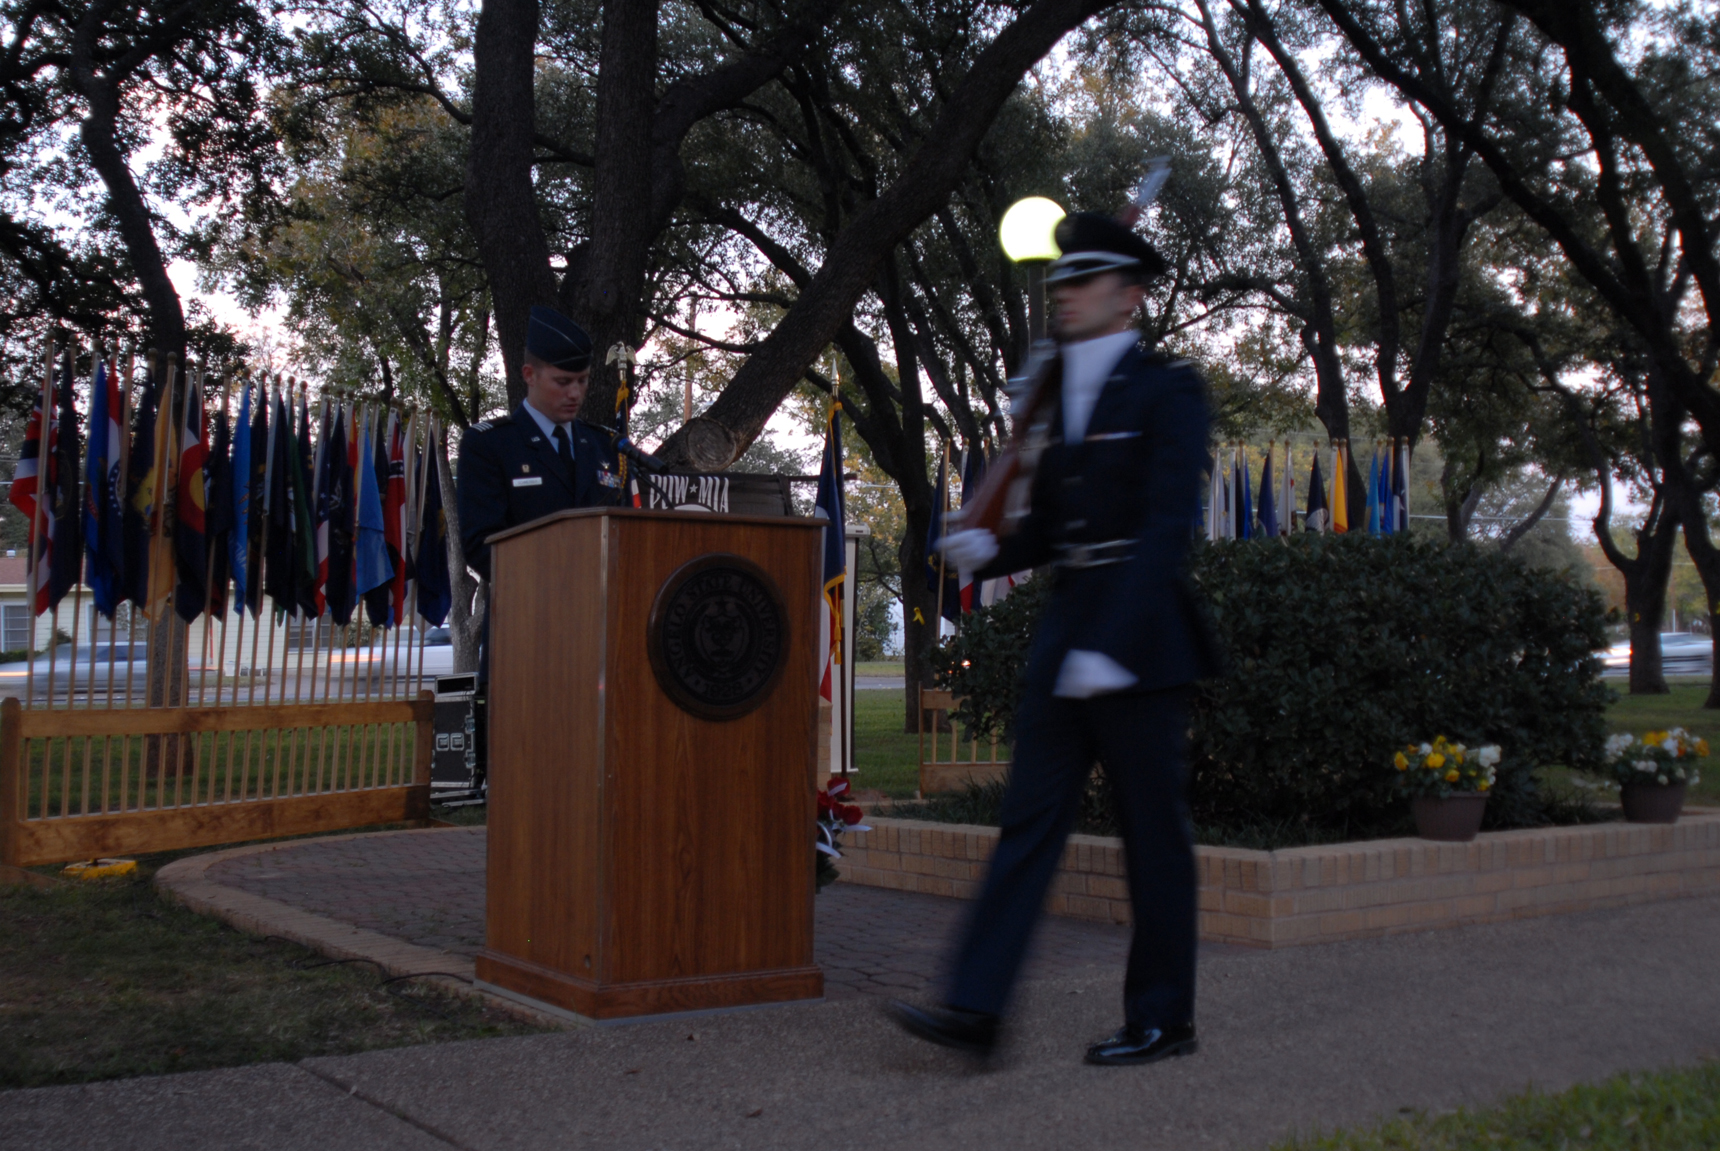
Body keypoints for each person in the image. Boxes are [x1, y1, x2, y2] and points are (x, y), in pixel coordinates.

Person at [889, 212, 1221, 1066]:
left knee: (1152, 834)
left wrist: (1112, 639)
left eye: (1084, 281)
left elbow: (1164, 525)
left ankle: (1162, 1015)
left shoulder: (1167, 389)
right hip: (1068, 626)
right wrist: (992, 545)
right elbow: (1060, 525)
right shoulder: (1061, 387)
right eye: (1061, 282)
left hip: (1139, 640)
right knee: (1027, 824)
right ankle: (975, 1006)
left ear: (1130, 295)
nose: (1065, 295)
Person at [458, 305, 625, 680]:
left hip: (599, 638)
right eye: (563, 381)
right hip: (526, 633)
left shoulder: (604, 447)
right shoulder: (490, 445)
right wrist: (568, 579)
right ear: (529, 376)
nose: (575, 393)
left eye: (582, 380)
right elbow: (481, 544)